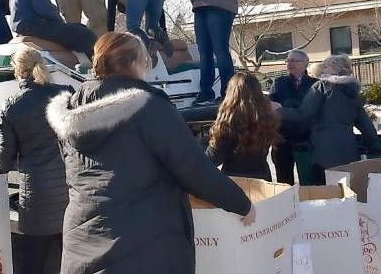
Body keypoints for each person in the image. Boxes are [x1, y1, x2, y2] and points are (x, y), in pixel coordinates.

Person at [46, 32, 254, 274]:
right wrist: (242, 204)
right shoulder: (149, 107)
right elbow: (193, 168)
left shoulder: (70, 112)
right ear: (134, 64)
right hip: (144, 246)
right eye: (146, 60)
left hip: (81, 246)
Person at [0, 46, 73, 274]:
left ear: (17, 70)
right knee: (70, 254)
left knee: (33, 258)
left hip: (36, 192)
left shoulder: (12, 106)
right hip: (68, 187)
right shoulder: (65, 94)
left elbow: (6, 153)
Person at [279, 55, 378, 185]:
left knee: (323, 195)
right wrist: (366, 145)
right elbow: (369, 131)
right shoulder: (353, 93)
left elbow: (303, 114)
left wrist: (279, 110)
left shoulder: (322, 86)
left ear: (338, 69)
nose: (323, 68)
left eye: (327, 65)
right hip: (349, 152)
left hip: (323, 154)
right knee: (348, 194)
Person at [206, 72, 281, 181]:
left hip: (235, 181)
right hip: (262, 177)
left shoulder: (228, 121)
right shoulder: (267, 117)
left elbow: (213, 159)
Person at [269, 50, 318, 185]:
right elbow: (272, 107)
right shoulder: (279, 83)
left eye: (294, 60)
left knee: (310, 181)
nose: (290, 63)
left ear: (305, 64)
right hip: (283, 139)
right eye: (288, 60)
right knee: (284, 183)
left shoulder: (315, 84)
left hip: (307, 139)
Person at [107, 0, 172, 55]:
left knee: (133, 28)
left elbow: (110, 14)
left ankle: (148, 52)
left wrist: (109, 38)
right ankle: (163, 39)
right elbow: (160, 12)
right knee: (151, 27)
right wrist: (164, 31)